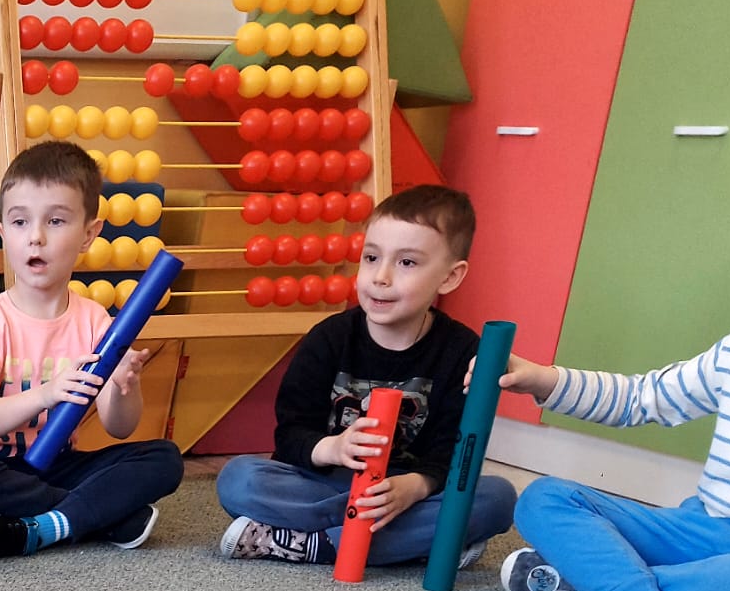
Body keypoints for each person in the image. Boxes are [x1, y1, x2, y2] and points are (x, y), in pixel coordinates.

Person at [214, 184, 514, 570]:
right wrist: (333, 448)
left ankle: (314, 544)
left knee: (497, 498)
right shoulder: (329, 338)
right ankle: (407, 542)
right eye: (371, 257)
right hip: (325, 482)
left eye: (407, 263)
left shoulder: (462, 352)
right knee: (238, 479)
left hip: (399, 493)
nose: (380, 277)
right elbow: (291, 436)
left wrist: (415, 486)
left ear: (450, 277)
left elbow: (450, 454)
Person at [0, 139, 182, 560]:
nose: (35, 237)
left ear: (89, 234)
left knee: (165, 459)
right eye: (19, 222)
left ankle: (47, 526)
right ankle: (100, 515)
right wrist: (46, 393)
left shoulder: (96, 322)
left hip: (59, 467)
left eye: (55, 221)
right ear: (3, 234)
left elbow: (120, 427)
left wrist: (125, 385)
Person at [496, 319, 730, 591]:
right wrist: (544, 380)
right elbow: (639, 398)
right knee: (544, 498)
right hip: (697, 531)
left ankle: (591, 583)